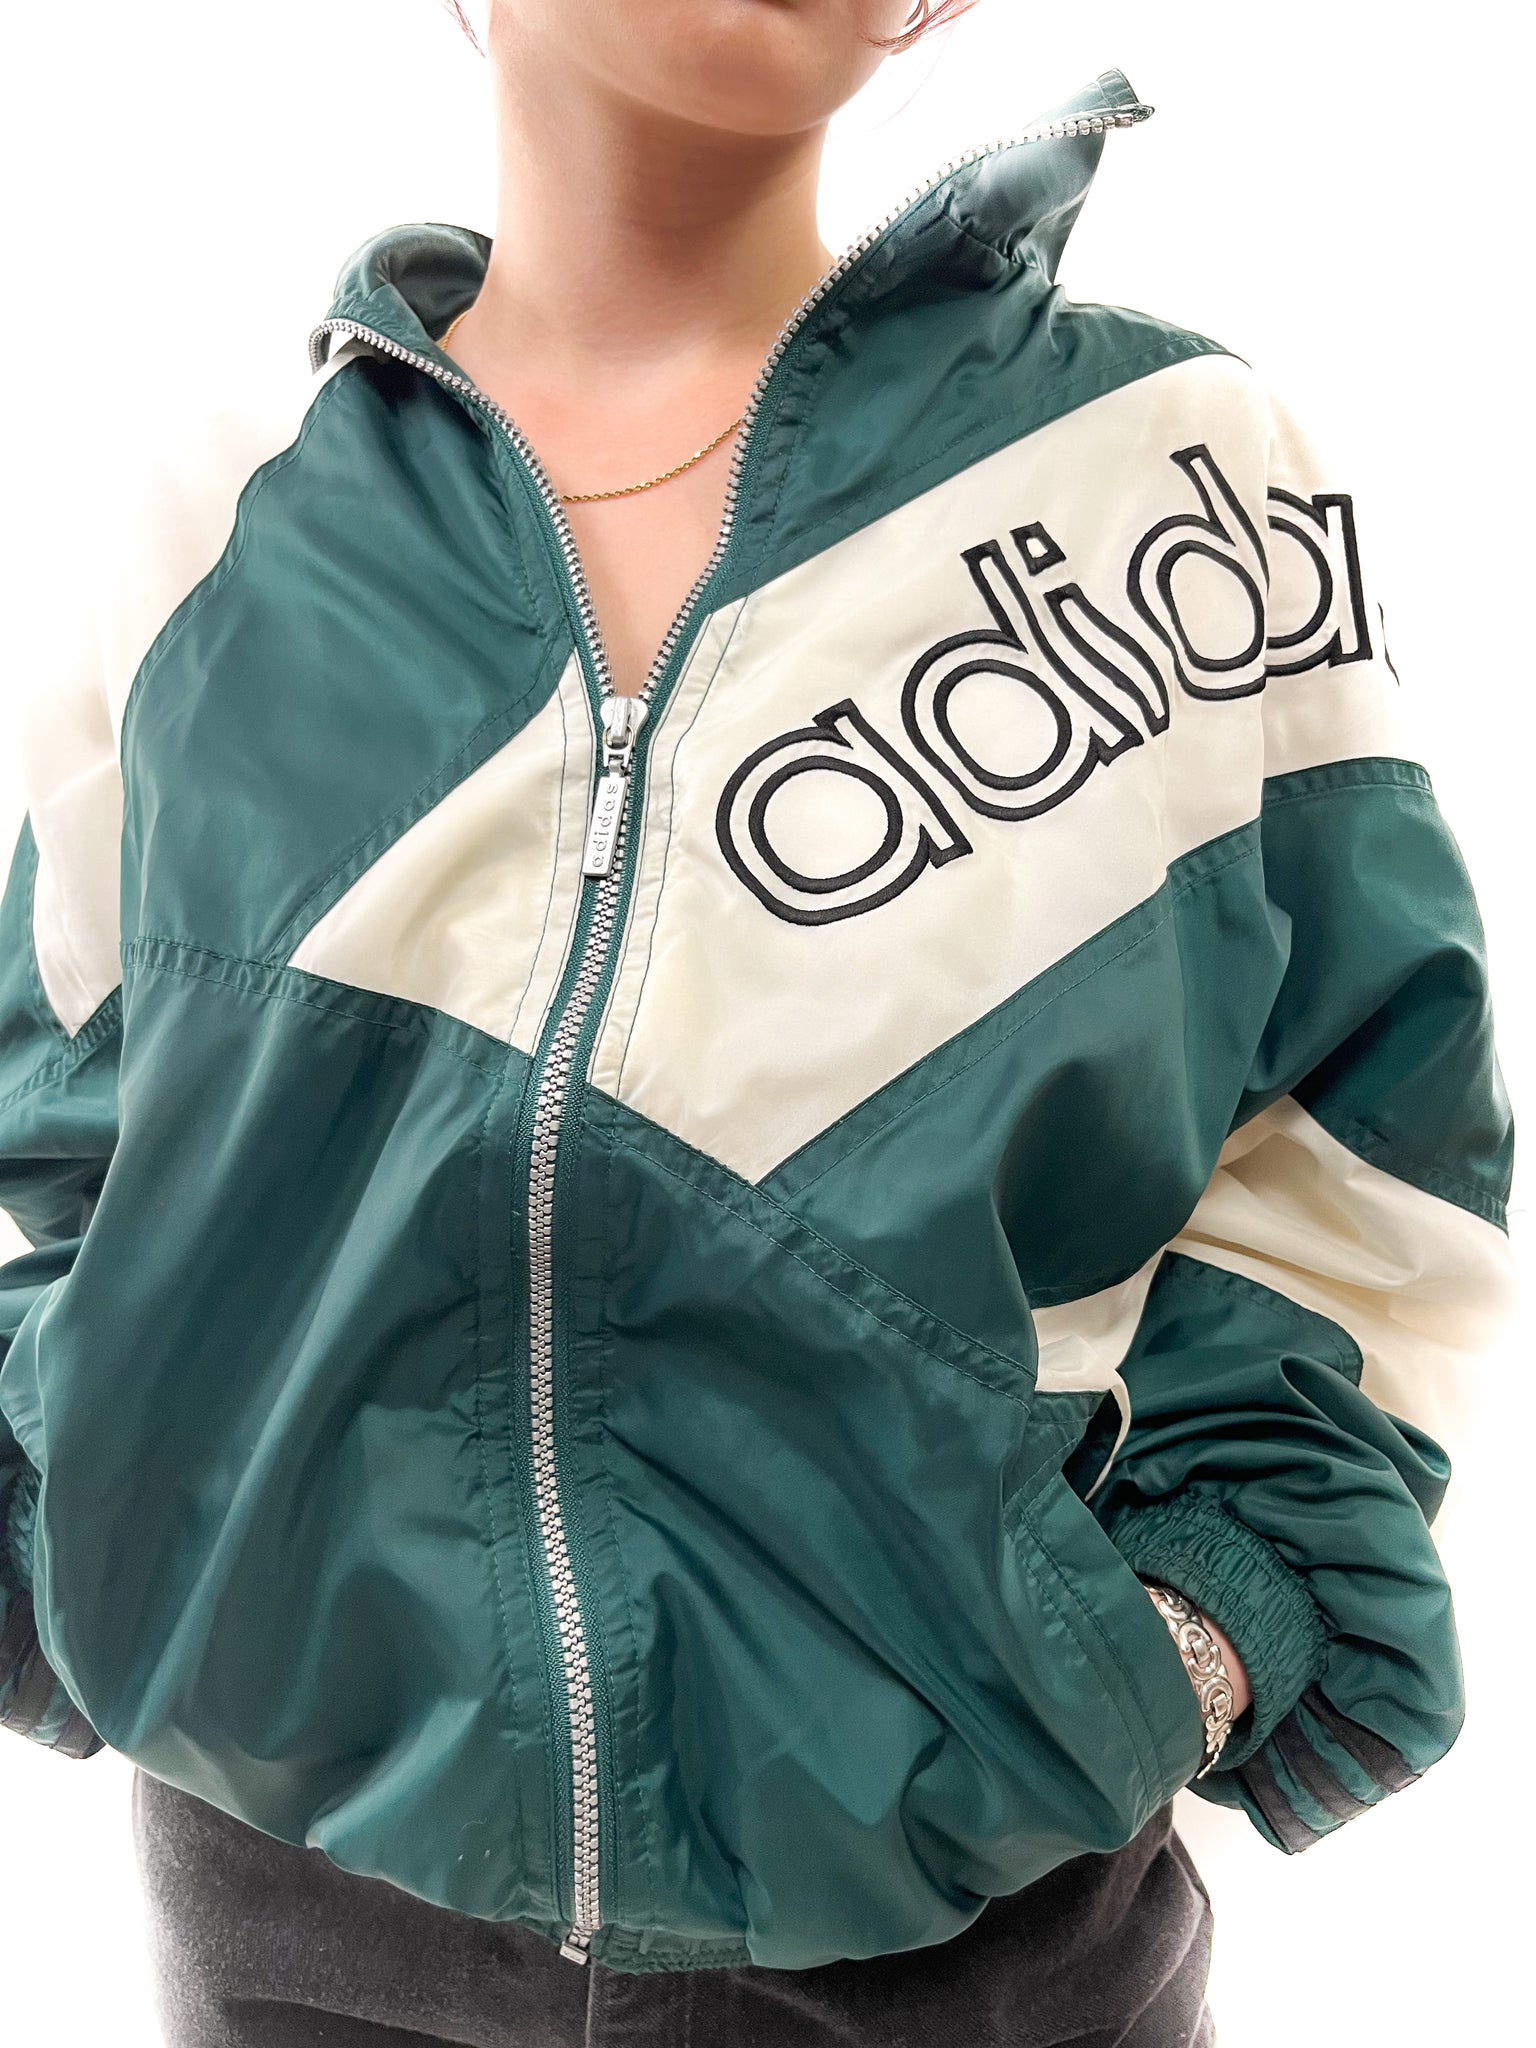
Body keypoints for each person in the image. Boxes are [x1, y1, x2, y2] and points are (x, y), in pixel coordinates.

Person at [0, 2, 1516, 2043]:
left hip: (976, 1932)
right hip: (294, 1927)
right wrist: (91, 1547)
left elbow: (1364, 1129)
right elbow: (70, 1131)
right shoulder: (228, 519)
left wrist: (1191, 1632)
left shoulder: (1157, 473)